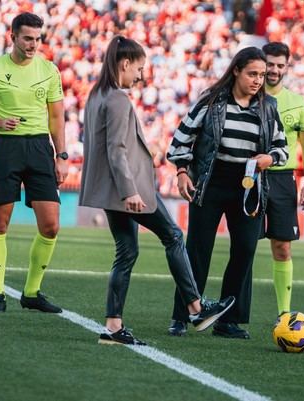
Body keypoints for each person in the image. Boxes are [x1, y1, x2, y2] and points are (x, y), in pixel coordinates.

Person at [80, 35, 235, 346]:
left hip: (111, 191)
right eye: (139, 68)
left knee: (126, 253)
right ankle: (196, 308)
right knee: (173, 236)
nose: (141, 75)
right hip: (130, 189)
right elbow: (116, 150)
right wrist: (130, 192)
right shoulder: (118, 99)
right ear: (124, 64)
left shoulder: (97, 95)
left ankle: (113, 326)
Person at [167, 46, 288, 339]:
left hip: (249, 186)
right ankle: (183, 315)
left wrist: (269, 159)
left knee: (245, 250)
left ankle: (227, 321)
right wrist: (182, 172)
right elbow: (180, 141)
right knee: (198, 249)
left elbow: (281, 149)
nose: (259, 80)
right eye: (252, 73)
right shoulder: (211, 102)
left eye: (261, 74)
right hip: (210, 181)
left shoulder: (269, 107)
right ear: (236, 70)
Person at [0, 12, 68, 313]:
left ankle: (32, 292)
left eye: (37, 39)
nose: (33, 44)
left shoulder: (49, 70)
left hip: (39, 148)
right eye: (27, 38)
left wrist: (61, 155)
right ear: (12, 37)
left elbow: (56, 116)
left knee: (51, 226)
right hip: (7, 149)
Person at [261, 42, 304, 317]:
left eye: (279, 65)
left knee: (282, 247)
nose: (274, 70)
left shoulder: (297, 101)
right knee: (244, 246)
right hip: (250, 177)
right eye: (269, 64)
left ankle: (284, 313)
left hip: (284, 180)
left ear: (286, 67)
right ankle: (233, 317)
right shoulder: (247, 94)